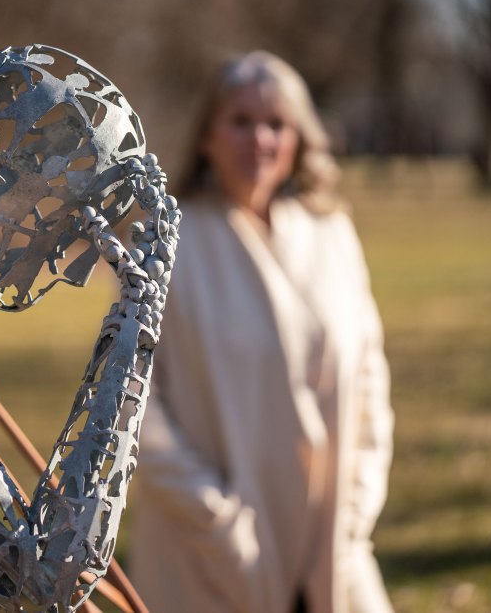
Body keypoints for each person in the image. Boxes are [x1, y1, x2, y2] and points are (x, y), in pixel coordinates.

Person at [128, 51, 394, 613]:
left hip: (331, 547)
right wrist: (218, 523)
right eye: (241, 121)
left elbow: (370, 376)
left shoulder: (332, 234)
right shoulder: (164, 245)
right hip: (209, 555)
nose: (260, 140)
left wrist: (356, 507)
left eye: (277, 123)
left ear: (299, 137)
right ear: (207, 137)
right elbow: (135, 406)